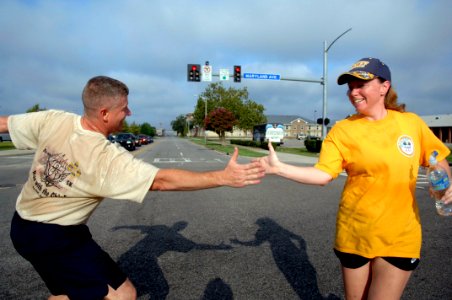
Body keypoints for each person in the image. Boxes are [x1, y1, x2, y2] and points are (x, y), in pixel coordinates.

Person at [0, 75, 265, 300]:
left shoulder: (55, 119)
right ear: (104, 114)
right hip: (49, 237)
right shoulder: (106, 158)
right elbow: (161, 181)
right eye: (124, 108)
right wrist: (223, 177)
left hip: (53, 231)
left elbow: (5, 123)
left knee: (122, 293)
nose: (129, 113)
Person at [257, 57, 451, 299]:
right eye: (350, 87)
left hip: (400, 234)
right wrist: (280, 168)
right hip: (354, 232)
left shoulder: (410, 123)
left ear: (384, 86)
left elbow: (438, 158)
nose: (353, 92)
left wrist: (444, 184)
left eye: (361, 85)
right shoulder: (342, 131)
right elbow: (324, 174)